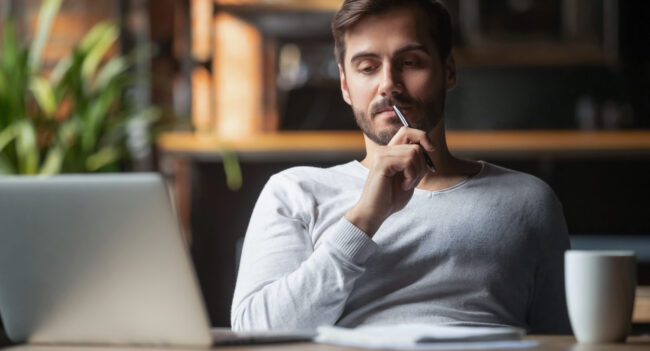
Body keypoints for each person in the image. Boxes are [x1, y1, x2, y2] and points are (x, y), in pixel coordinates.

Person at [231, 0, 571, 334]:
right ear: (346, 85)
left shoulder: (529, 201)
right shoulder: (295, 192)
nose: (388, 84)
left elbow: (564, 339)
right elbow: (256, 332)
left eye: (409, 62)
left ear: (448, 71)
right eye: (367, 67)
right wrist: (364, 219)